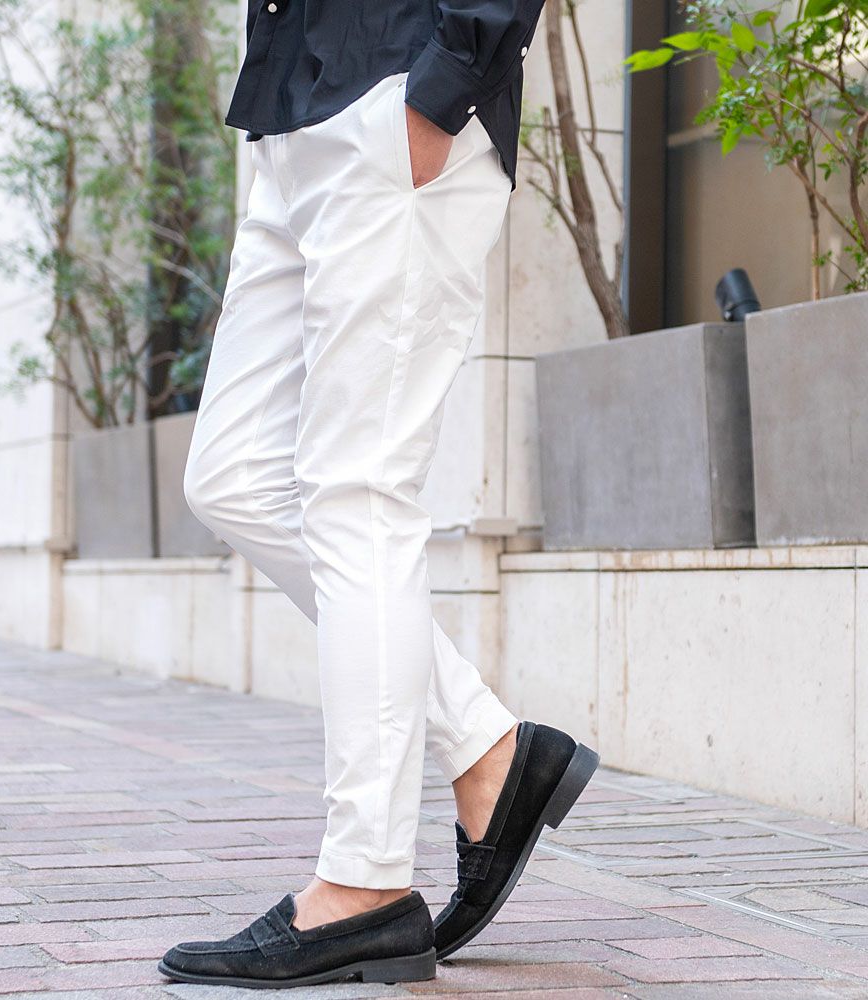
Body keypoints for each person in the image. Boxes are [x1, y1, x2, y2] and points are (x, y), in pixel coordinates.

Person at [159, 0, 599, 988]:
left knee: (359, 491)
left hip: (399, 95)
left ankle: (363, 882)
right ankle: (487, 749)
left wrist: (446, 85)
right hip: (292, 112)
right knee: (231, 477)